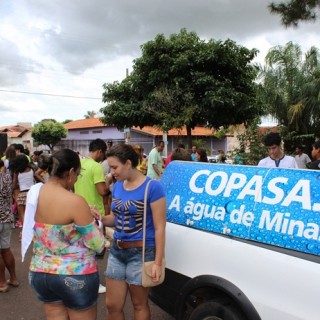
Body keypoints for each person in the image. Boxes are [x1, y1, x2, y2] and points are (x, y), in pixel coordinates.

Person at [23, 149, 106, 319]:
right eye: (78, 175)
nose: (76, 179)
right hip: (74, 275)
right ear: (70, 172)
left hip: (40, 272)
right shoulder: (75, 201)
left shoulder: (36, 193)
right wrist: (97, 223)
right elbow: (97, 245)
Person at [102, 144, 166, 320]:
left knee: (139, 304)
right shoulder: (118, 187)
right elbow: (115, 218)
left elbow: (160, 227)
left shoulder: (152, 187)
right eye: (110, 168)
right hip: (117, 250)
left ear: (128, 163)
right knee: (112, 305)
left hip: (142, 252)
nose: (112, 172)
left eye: (115, 167)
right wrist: (99, 218)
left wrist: (158, 263)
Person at [74, 138, 110, 294]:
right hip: (95, 213)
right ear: (100, 151)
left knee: (82, 249)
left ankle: (82, 280)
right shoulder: (97, 167)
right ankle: (94, 283)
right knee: (94, 251)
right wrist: (110, 184)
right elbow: (102, 191)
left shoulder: (79, 164)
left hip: (78, 210)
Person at [0, 160, 19, 292]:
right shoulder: (6, 176)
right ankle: (13, 279)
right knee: (6, 249)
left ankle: (2, 283)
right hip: (6, 217)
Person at [9, 154, 35, 228]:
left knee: (22, 214)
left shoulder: (17, 172)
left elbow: (14, 186)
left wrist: (20, 184)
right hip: (32, 194)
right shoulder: (32, 169)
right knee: (32, 214)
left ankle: (25, 230)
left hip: (22, 194)